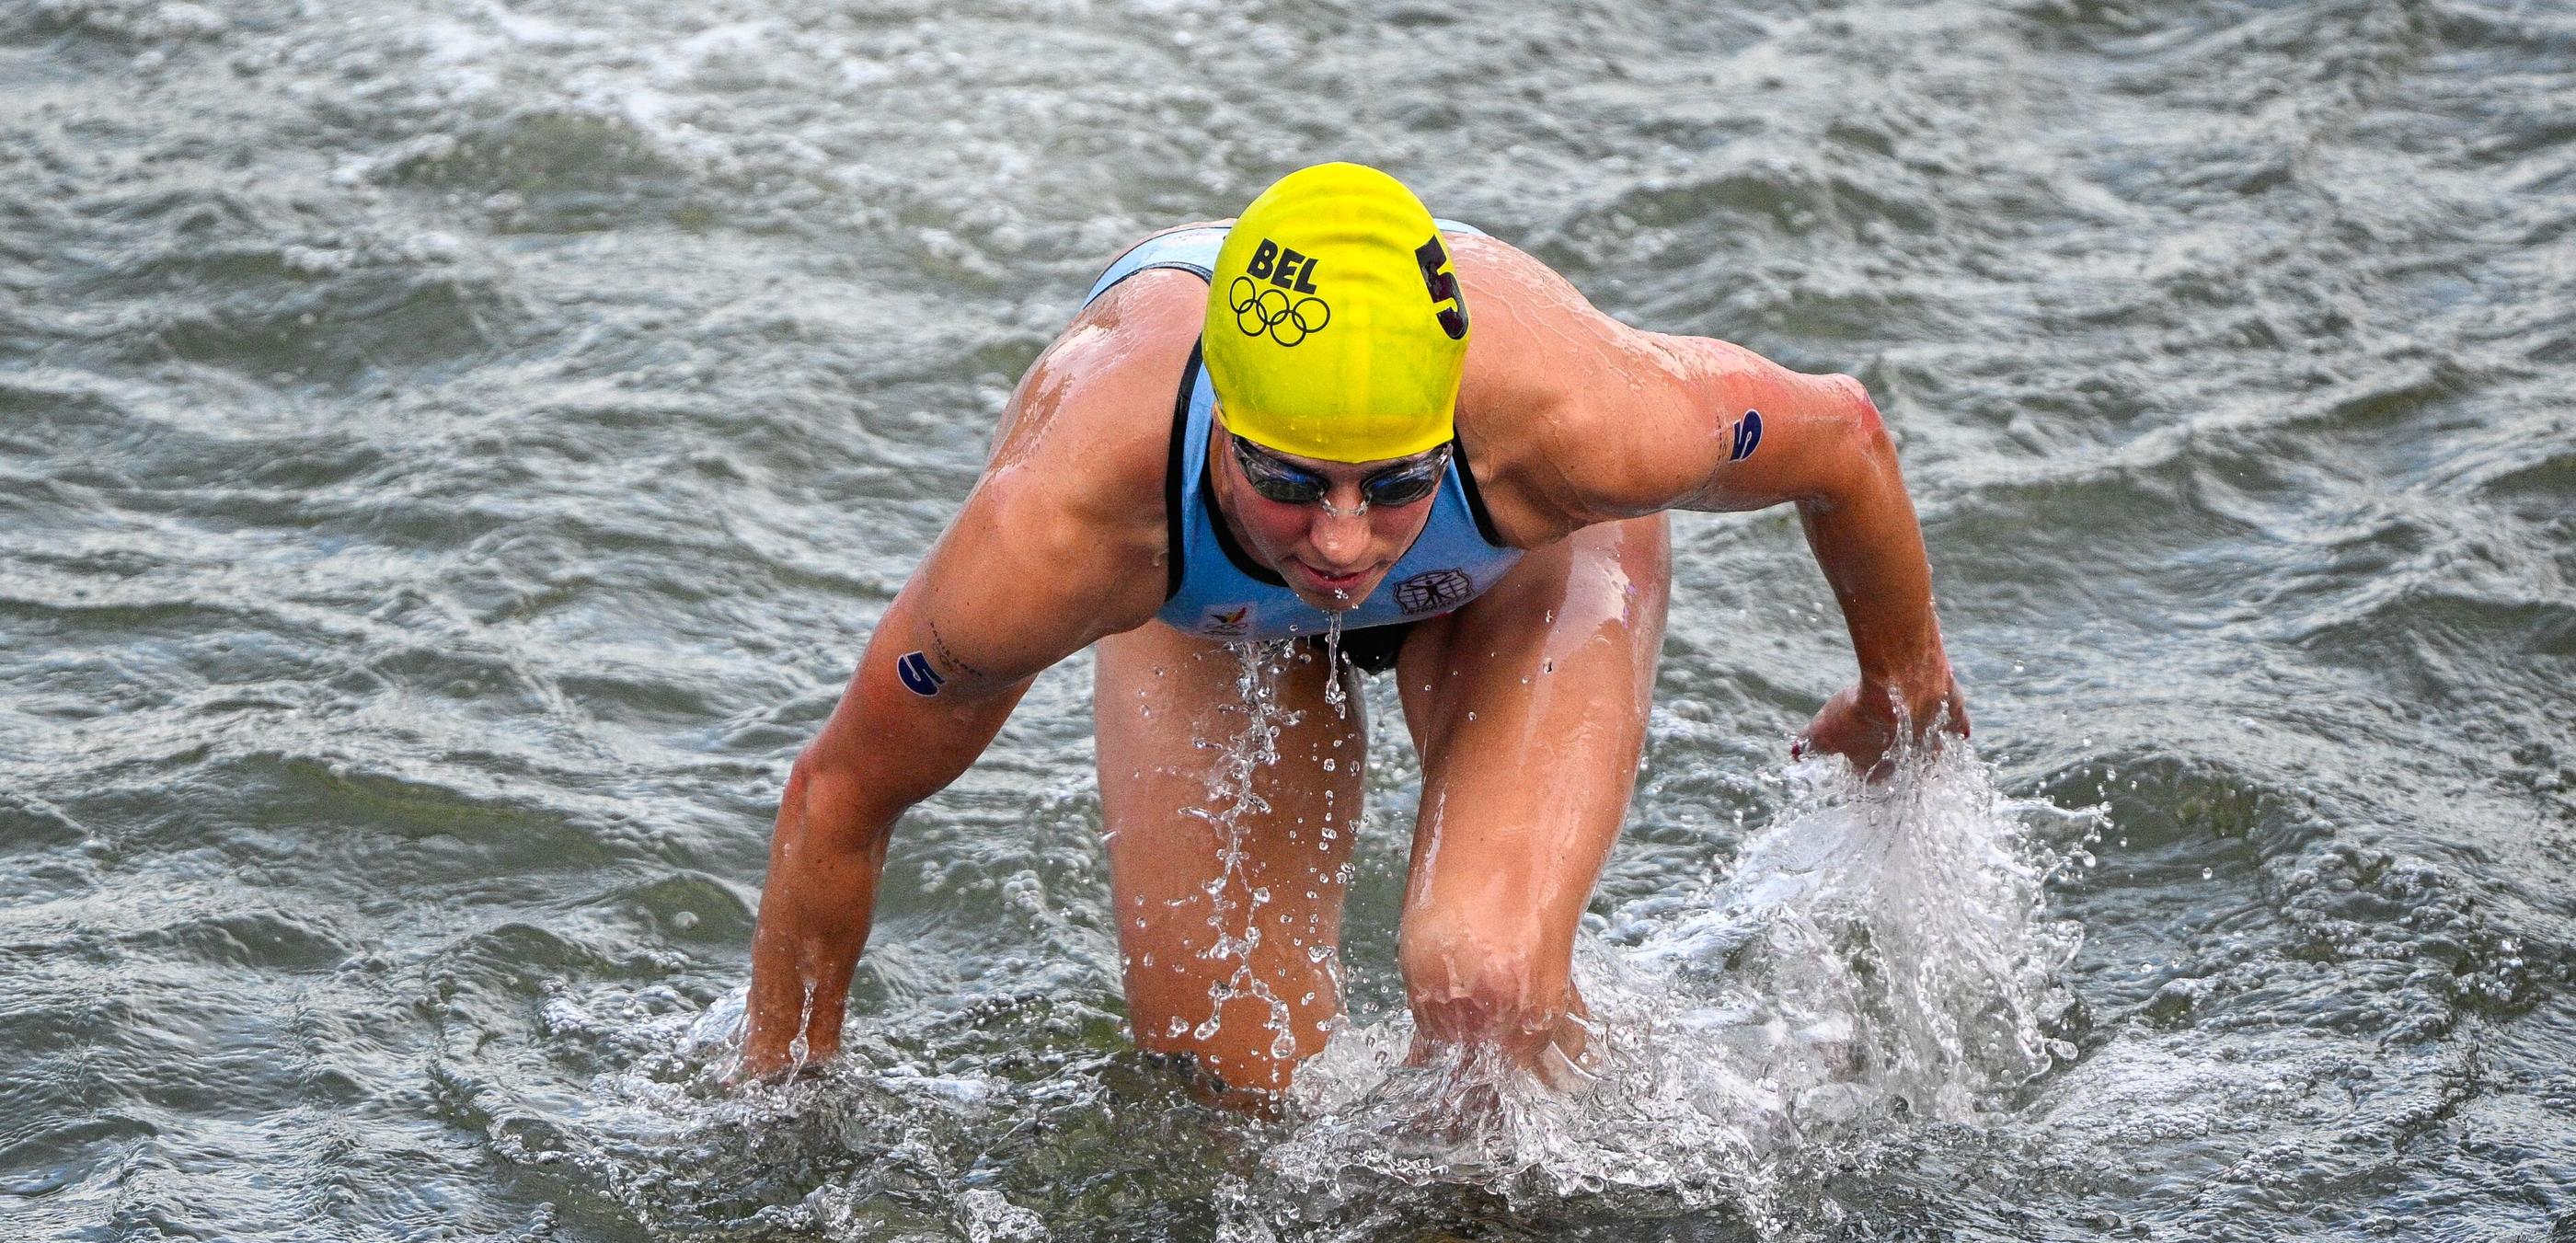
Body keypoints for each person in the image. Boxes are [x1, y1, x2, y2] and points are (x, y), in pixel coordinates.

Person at [740, 163, 1966, 1092]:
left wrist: (1898, 695)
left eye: (1389, 484)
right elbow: (840, 792)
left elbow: (1841, 438)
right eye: (1292, 482)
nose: (1341, 543)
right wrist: (784, 1106)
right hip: (1203, 607)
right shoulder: (1066, 525)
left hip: (1516, 561)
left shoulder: (1579, 417)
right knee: (1223, 1093)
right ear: (1222, 431)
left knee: (1484, 990)